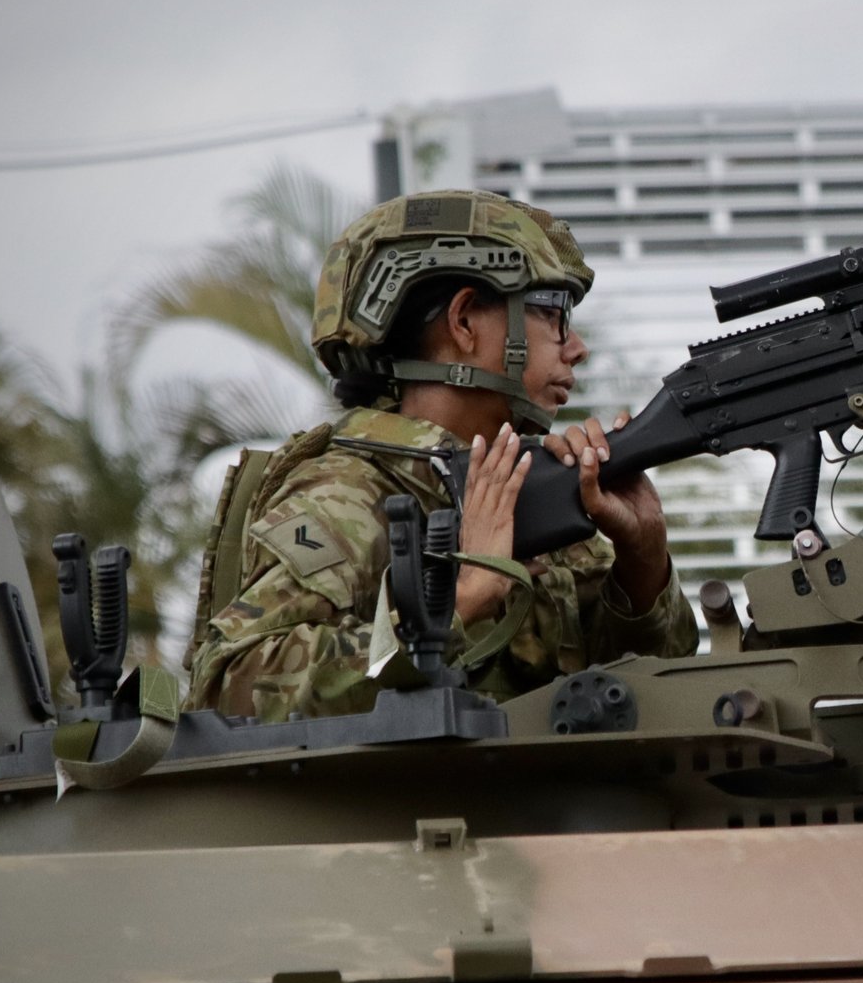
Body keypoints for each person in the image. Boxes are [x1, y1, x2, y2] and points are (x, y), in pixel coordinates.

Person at [183, 190, 697, 721]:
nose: (576, 347)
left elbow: (654, 686)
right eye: (553, 313)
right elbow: (230, 683)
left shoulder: (537, 492)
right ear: (464, 322)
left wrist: (643, 560)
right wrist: (465, 599)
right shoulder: (350, 493)